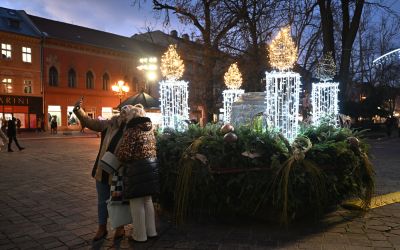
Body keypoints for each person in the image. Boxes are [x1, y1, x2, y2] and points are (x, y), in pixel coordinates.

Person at [73, 99, 133, 242]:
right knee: (102, 201)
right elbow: (89, 122)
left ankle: (119, 227)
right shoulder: (108, 124)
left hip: (119, 172)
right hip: (102, 169)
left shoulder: (131, 130)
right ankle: (102, 227)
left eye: (126, 113)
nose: (123, 115)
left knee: (119, 200)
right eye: (122, 112)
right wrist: (78, 110)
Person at [116, 104, 159, 243]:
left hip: (136, 169)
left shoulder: (131, 130)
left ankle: (139, 235)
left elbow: (125, 154)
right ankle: (151, 231)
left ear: (132, 116)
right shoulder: (149, 129)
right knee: (148, 200)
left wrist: (118, 157)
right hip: (151, 168)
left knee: (136, 202)